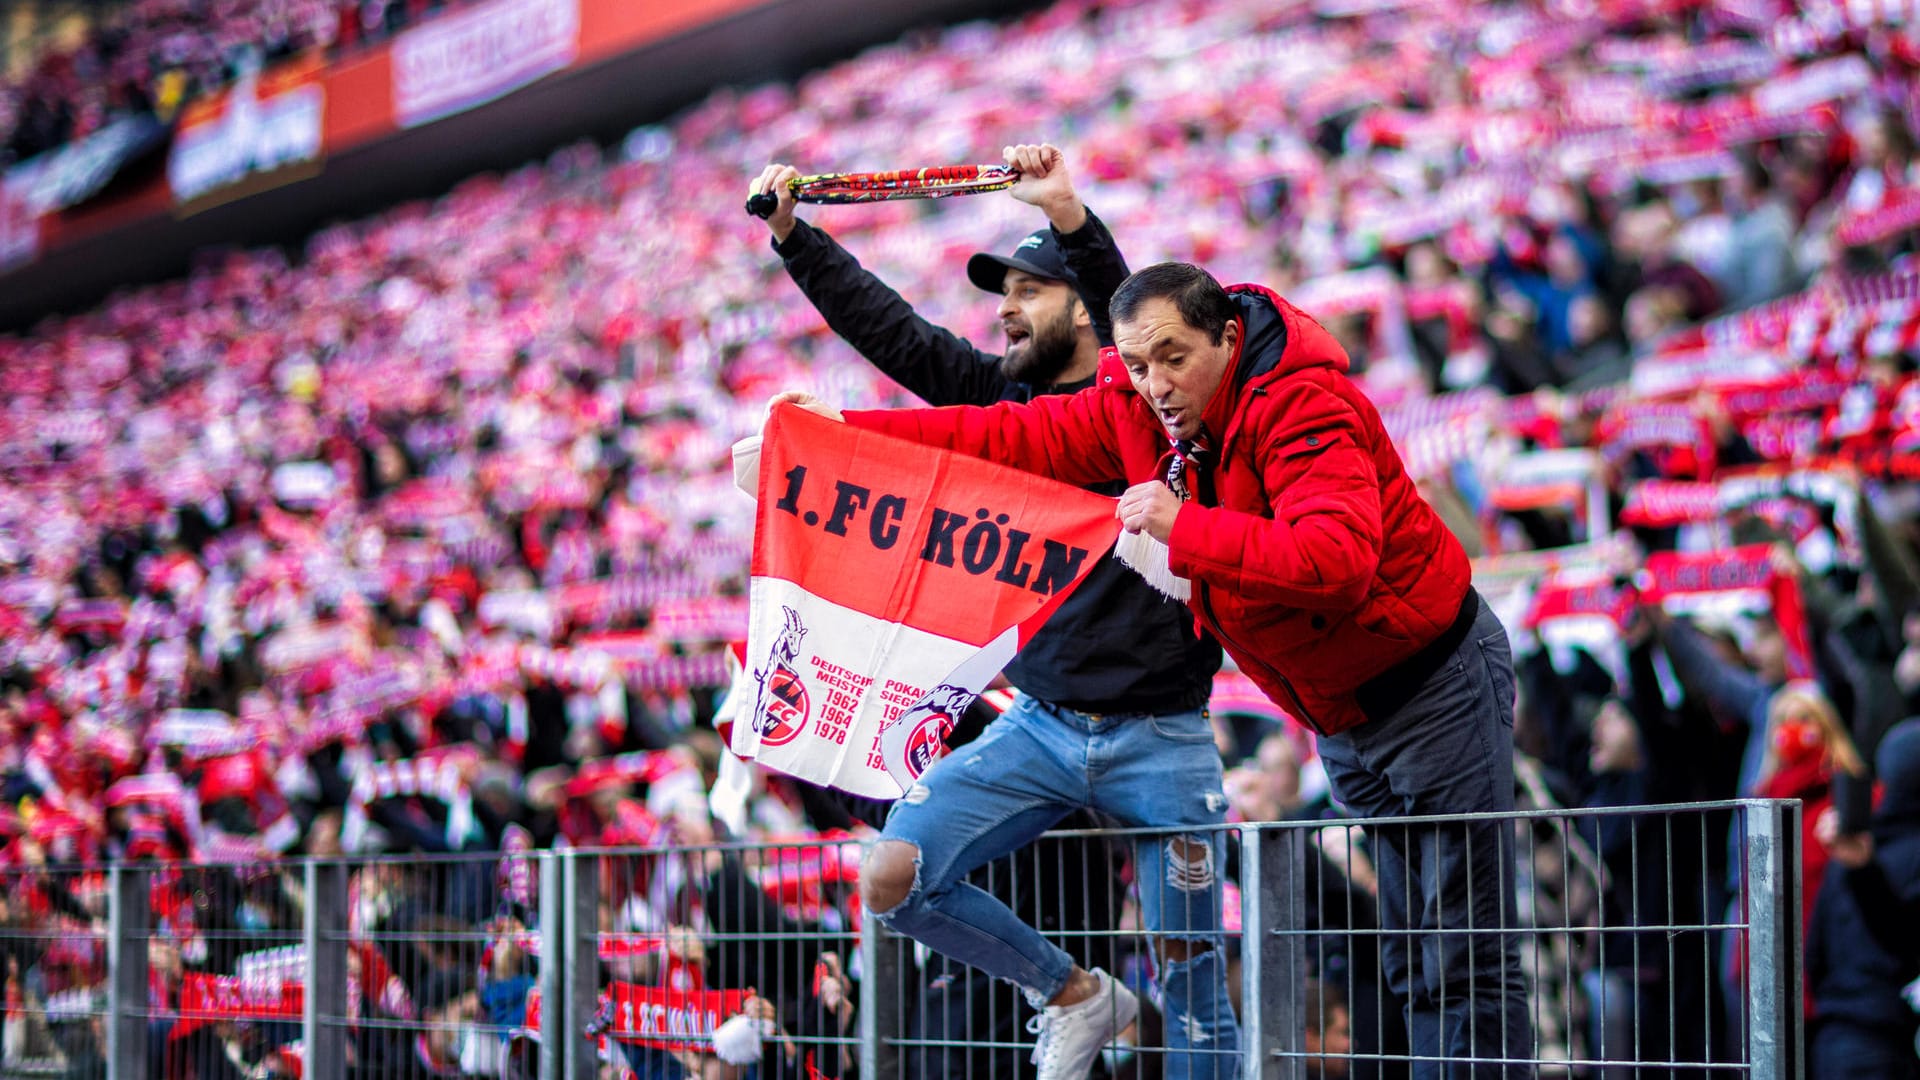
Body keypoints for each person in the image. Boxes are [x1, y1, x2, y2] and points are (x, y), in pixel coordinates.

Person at [774, 261, 1533, 1077]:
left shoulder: (1302, 403)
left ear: (1228, 339)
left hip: (1432, 687)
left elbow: (1338, 559)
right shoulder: (1133, 411)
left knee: (1463, 954)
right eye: (1138, 365)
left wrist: (1186, 527)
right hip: (1343, 718)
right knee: (1413, 955)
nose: (1156, 384)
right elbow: (1005, 436)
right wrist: (846, 435)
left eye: (1174, 357)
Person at [749, 147, 1235, 1080]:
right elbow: (901, 339)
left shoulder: (1149, 409)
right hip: (1042, 728)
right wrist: (794, 239)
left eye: (1027, 292)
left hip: (1165, 738)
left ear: (1092, 317)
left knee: (1195, 983)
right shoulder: (1004, 407)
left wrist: (1070, 219)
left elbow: (1124, 292)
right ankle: (1075, 995)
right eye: (1002, 293)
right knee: (890, 875)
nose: (1005, 311)